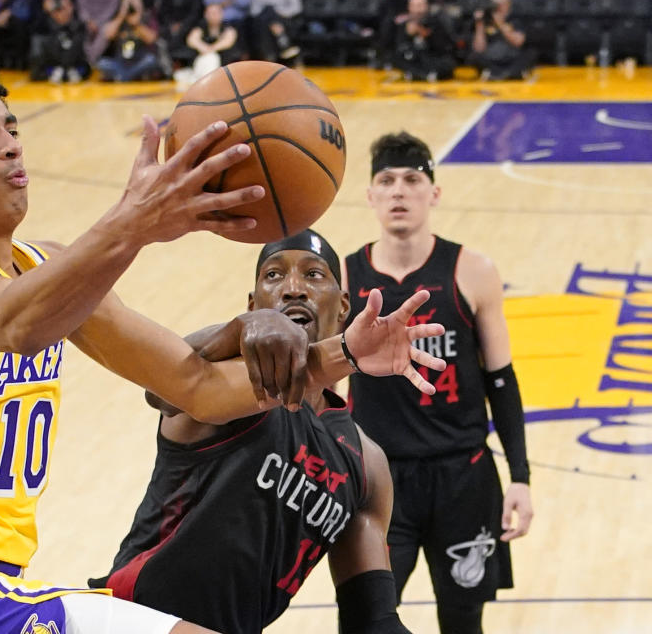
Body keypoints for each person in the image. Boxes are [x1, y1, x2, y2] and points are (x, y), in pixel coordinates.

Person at [0, 54, 446, 633]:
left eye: (11, 127)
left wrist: (345, 353)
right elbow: (11, 325)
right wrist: (133, 224)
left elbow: (198, 388)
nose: (10, 144)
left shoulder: (41, 266)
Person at [92, 229, 445, 633]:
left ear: (344, 305)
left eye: (313, 275)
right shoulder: (226, 391)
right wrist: (238, 329)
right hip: (132, 618)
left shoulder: (367, 466)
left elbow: (372, 620)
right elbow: (164, 391)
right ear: (254, 301)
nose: (293, 289)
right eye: (273, 276)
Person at [343, 131, 534, 634]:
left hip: (463, 478)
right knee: (365, 619)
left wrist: (520, 476)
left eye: (412, 179)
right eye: (386, 181)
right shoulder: (344, 279)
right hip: (379, 482)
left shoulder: (473, 271)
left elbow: (501, 380)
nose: (399, 191)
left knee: (463, 619)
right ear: (370, 195)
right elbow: (322, 386)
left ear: (435, 193)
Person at [383, 0, 456, 82]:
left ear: (427, 6)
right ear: (409, 7)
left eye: (420, 6)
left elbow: (443, 49)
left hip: (432, 59)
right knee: (396, 58)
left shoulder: (436, 22)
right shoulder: (403, 25)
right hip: (413, 60)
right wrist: (408, 35)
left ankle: (418, 75)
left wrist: (426, 35)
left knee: (448, 63)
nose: (417, 10)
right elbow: (398, 48)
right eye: (414, 6)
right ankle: (425, 76)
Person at [96, 0, 162, 82]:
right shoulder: (118, 18)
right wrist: (121, 15)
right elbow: (108, 35)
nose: (131, 6)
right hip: (121, 62)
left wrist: (137, 24)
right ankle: (129, 76)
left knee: (150, 60)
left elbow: (151, 39)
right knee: (102, 63)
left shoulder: (147, 17)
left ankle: (123, 77)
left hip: (139, 61)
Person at [470, 0, 533, 81]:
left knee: (529, 54)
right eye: (495, 4)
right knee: (474, 57)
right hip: (491, 58)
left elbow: (518, 42)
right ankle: (497, 73)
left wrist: (500, 23)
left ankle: (507, 73)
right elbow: (479, 48)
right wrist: (479, 24)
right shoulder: (485, 20)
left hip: (512, 57)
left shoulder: (515, 19)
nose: (497, 7)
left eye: (501, 4)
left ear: (508, 5)